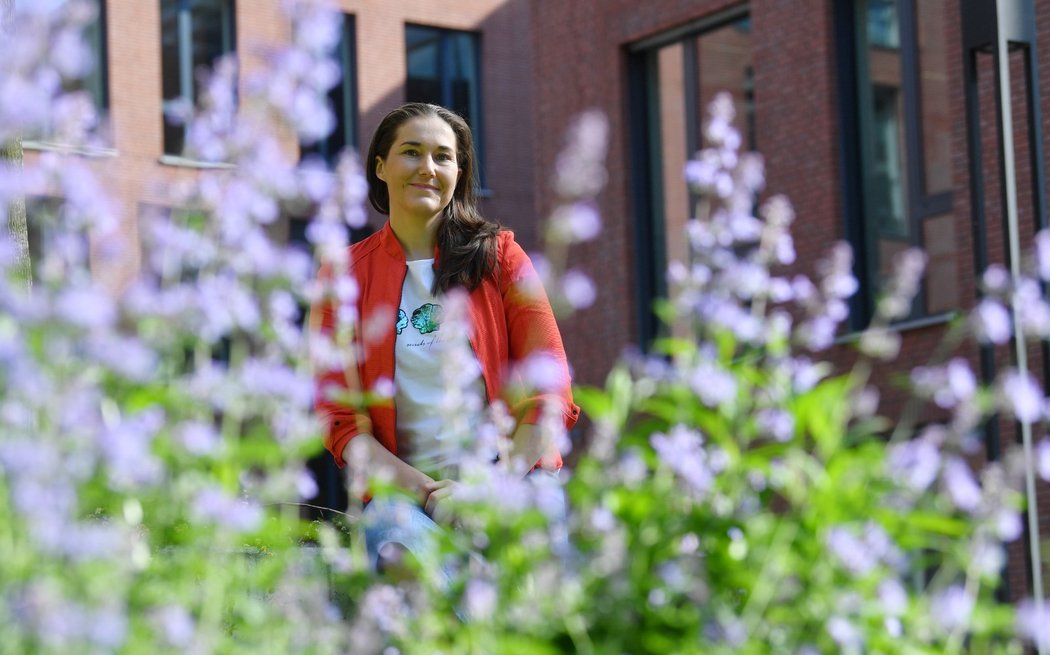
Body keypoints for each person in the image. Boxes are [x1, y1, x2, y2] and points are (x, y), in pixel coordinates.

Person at [311, 102, 580, 573]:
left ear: (459, 170)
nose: (427, 168)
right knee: (396, 553)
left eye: (443, 156)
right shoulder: (343, 275)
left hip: (513, 480)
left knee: (531, 570)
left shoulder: (502, 257)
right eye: (411, 152)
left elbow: (549, 392)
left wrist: (485, 490)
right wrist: (429, 495)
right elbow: (340, 419)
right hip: (405, 495)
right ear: (381, 165)